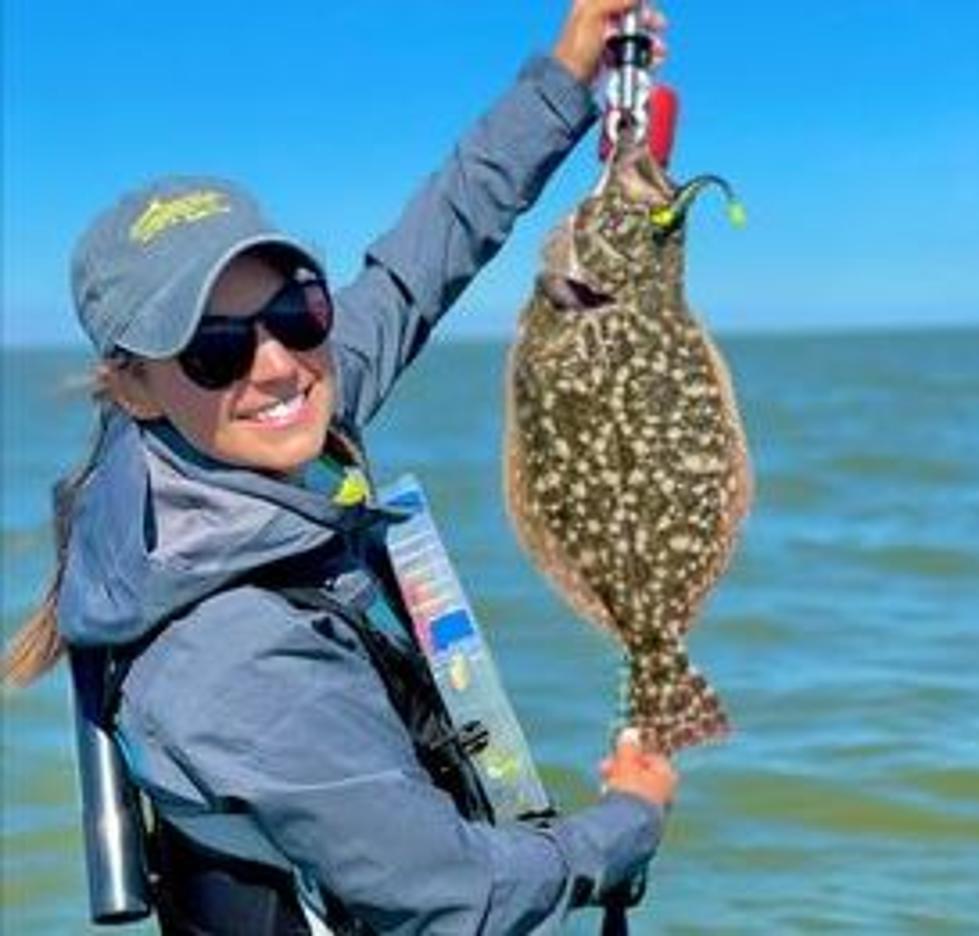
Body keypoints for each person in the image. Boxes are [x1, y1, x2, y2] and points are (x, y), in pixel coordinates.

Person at [4, 1, 678, 932]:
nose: (274, 362)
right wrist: (629, 822)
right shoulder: (235, 660)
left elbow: (421, 259)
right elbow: (457, 900)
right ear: (133, 389)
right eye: (213, 344)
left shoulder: (240, 421)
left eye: (295, 309)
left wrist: (566, 78)